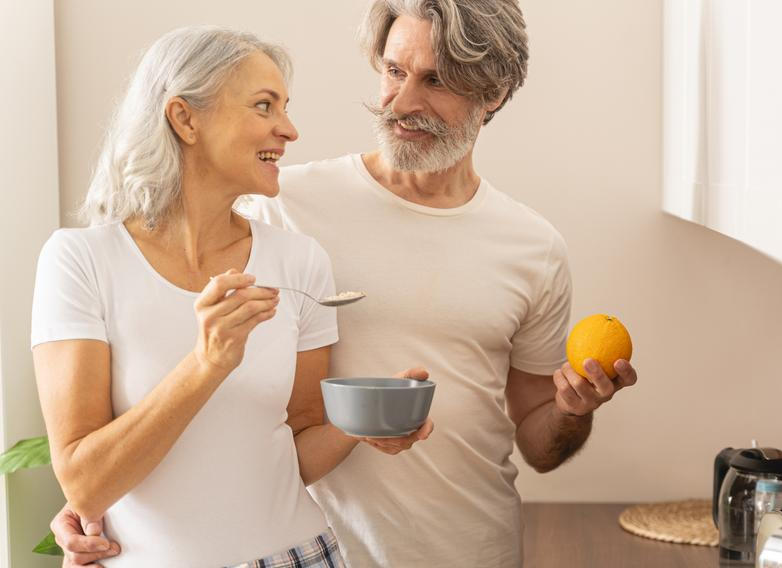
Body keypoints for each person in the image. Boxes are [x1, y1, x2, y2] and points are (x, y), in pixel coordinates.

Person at [55, 1, 640, 567]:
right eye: (393, 70)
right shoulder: (283, 205)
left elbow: (541, 445)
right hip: (309, 548)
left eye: (436, 81)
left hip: (470, 549)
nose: (402, 102)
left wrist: (573, 408)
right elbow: (174, 352)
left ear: (494, 94)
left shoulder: (532, 247)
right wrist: (102, 507)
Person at [32, 26, 430, 568]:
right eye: (264, 106)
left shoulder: (299, 261)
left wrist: (360, 423)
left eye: (285, 107)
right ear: (184, 118)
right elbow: (86, 486)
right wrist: (207, 363)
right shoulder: (80, 261)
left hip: (299, 556)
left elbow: (296, 451)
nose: (288, 130)